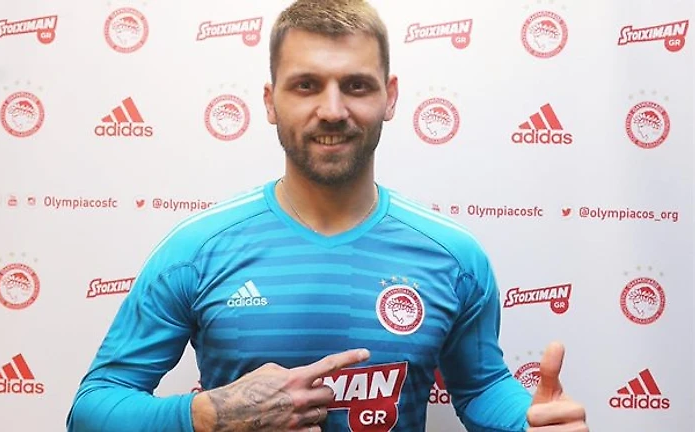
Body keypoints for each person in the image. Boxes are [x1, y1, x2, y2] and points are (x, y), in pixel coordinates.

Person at [66, 1, 588, 431]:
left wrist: (529, 422)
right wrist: (206, 415)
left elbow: (481, 387)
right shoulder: (196, 251)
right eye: (306, 85)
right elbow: (93, 407)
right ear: (270, 101)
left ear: (390, 97)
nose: (333, 110)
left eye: (356, 85)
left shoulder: (454, 257)